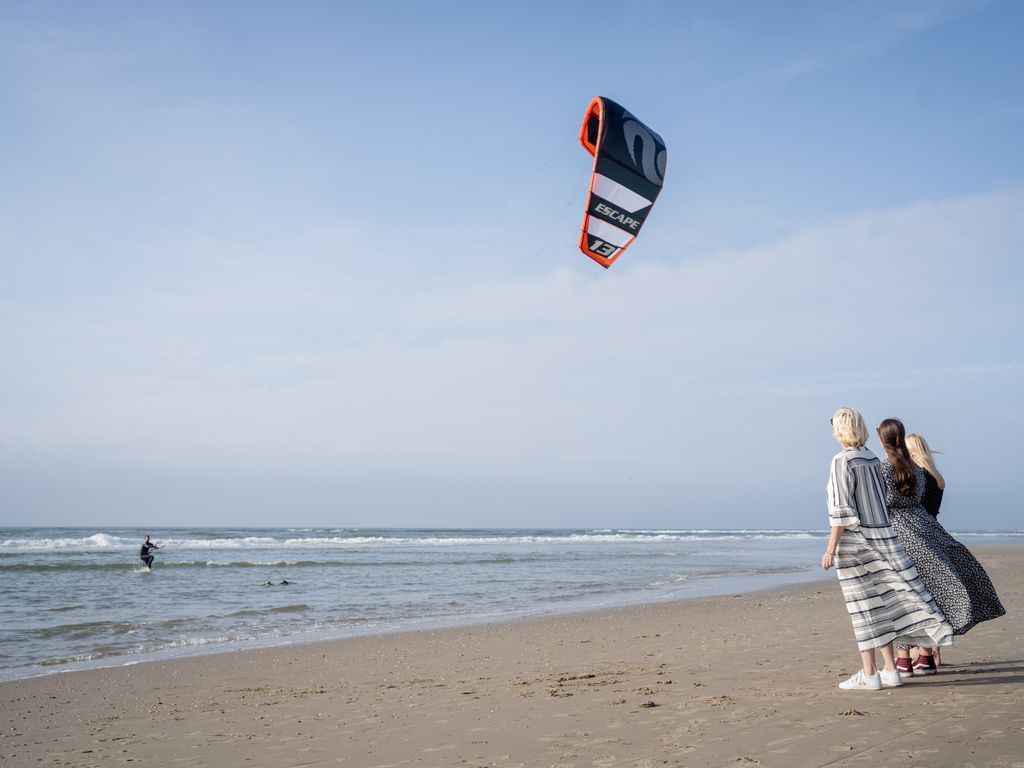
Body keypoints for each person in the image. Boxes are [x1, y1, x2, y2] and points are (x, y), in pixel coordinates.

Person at [823, 407, 953, 691]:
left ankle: (870, 675)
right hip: (884, 538)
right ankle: (891, 670)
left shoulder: (841, 461)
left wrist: (830, 549)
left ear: (840, 429)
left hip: (855, 544)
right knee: (884, 604)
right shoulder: (871, 459)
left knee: (863, 609)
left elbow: (842, 510)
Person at [877, 418, 1005, 677]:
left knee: (903, 595)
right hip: (928, 531)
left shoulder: (882, 469)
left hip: (899, 533)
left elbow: (882, 502)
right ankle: (925, 657)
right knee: (930, 595)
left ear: (884, 440)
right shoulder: (920, 471)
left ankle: (904, 660)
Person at [906, 433, 944, 518]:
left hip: (918, 526)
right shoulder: (936, 476)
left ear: (910, 452)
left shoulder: (918, 476)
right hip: (933, 526)